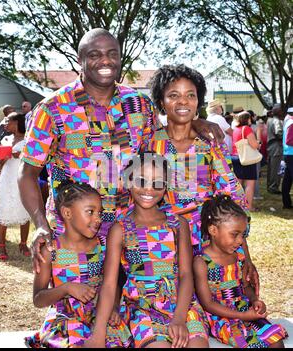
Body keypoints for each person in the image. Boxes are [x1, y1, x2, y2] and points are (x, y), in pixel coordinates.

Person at [17, 28, 224, 273]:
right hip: (73, 231)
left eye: (112, 54)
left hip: (131, 229)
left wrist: (194, 122)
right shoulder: (52, 109)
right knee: (74, 304)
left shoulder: (138, 104)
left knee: (129, 303)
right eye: (95, 54)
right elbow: (27, 172)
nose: (105, 60)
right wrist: (40, 224)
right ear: (79, 60)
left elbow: (161, 143)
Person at [147, 64, 259, 293]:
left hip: (210, 242)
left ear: (198, 101)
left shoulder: (210, 144)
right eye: (173, 95)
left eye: (191, 95)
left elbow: (232, 202)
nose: (183, 102)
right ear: (160, 102)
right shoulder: (149, 145)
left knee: (226, 309)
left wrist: (245, 256)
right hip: (164, 245)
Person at [86, 153, 209, 348]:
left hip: (183, 306)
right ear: (128, 181)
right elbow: (109, 285)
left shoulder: (178, 224)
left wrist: (178, 318)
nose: (149, 189)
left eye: (158, 183)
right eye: (141, 180)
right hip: (143, 308)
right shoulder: (120, 229)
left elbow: (186, 275)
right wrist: (98, 333)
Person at [25, 181, 132, 348]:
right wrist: (66, 288)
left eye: (99, 213)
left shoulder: (103, 246)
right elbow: (38, 300)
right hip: (65, 320)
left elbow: (112, 283)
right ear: (67, 213)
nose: (98, 219)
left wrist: (115, 306)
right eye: (90, 212)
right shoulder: (51, 251)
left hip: (100, 316)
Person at [193, 195, 288, 348]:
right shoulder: (202, 262)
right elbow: (208, 303)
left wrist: (254, 301)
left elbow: (246, 287)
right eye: (234, 234)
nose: (240, 241)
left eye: (242, 235)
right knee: (250, 343)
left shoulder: (239, 256)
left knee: (275, 340)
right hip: (221, 317)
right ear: (213, 230)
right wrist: (242, 316)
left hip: (244, 309)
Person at [0, 113, 30, 261]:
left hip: (23, 177)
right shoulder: (6, 139)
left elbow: (34, 158)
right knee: (4, 207)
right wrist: (2, 158)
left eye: (8, 121)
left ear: (16, 122)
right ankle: (1, 244)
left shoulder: (29, 138)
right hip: (7, 177)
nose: (5, 124)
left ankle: (23, 244)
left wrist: (21, 154)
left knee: (24, 207)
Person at [231, 111, 260, 212]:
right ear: (247, 119)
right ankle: (248, 206)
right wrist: (259, 143)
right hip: (246, 159)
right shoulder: (247, 129)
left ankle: (237, 206)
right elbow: (254, 145)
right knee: (249, 184)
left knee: (238, 184)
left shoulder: (235, 129)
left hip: (235, 157)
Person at [267, 103, 283, 194]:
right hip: (276, 146)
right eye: (281, 110)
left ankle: (270, 186)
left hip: (271, 146)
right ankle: (273, 187)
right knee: (276, 168)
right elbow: (279, 133)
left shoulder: (270, 120)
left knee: (272, 168)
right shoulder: (276, 121)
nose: (282, 111)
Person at [282, 107, 293, 209]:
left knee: (287, 180)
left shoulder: (288, 122)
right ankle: (286, 203)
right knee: (287, 180)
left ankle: (286, 203)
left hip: (288, 154)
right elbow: (289, 141)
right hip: (291, 154)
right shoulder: (291, 123)